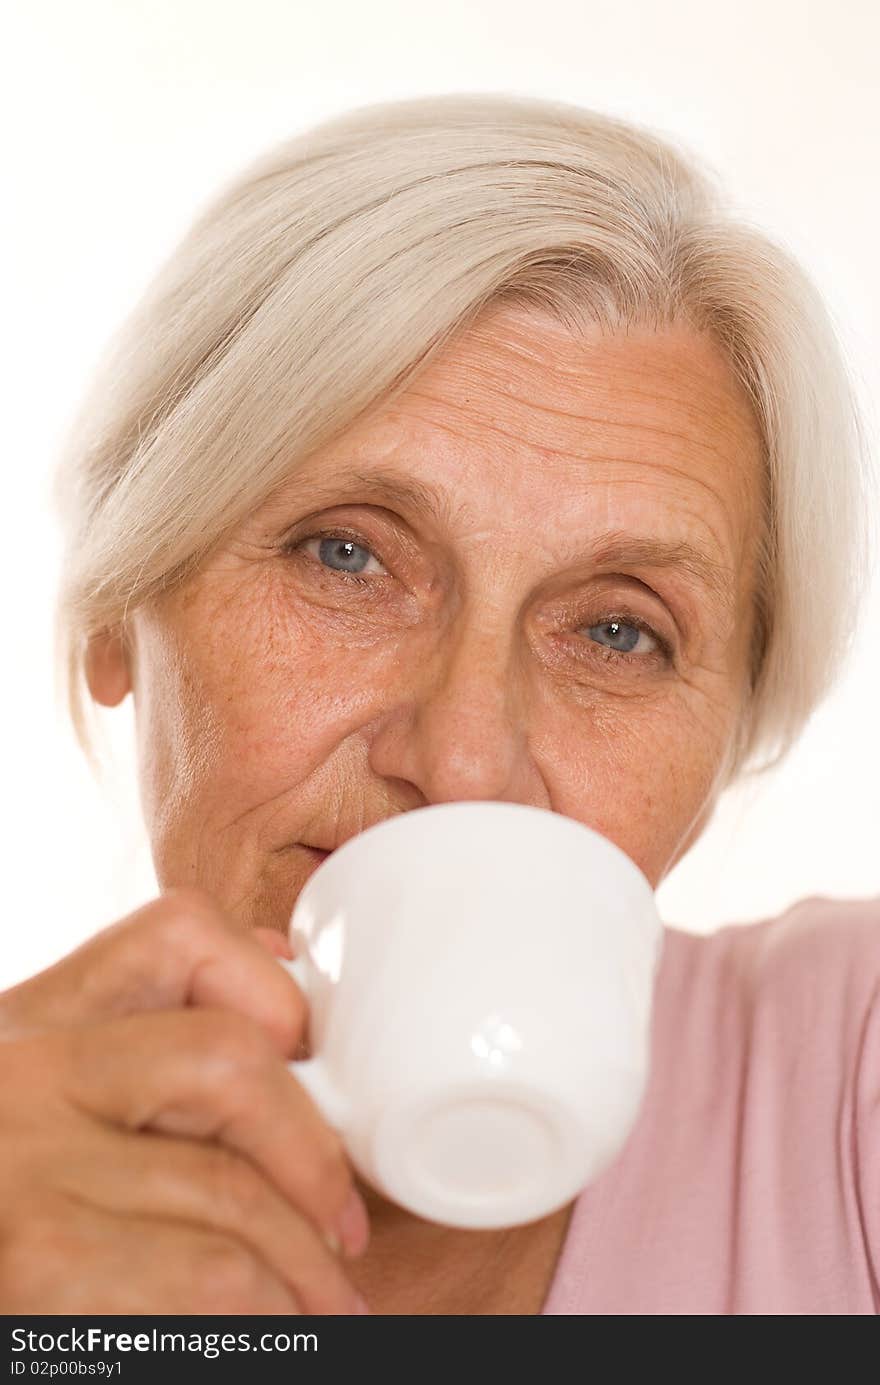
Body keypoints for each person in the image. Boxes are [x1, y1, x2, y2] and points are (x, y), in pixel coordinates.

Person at [0, 92, 875, 1315]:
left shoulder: (849, 1078)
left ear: (731, 733)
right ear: (116, 608)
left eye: (617, 630)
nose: (462, 763)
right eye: (344, 556)